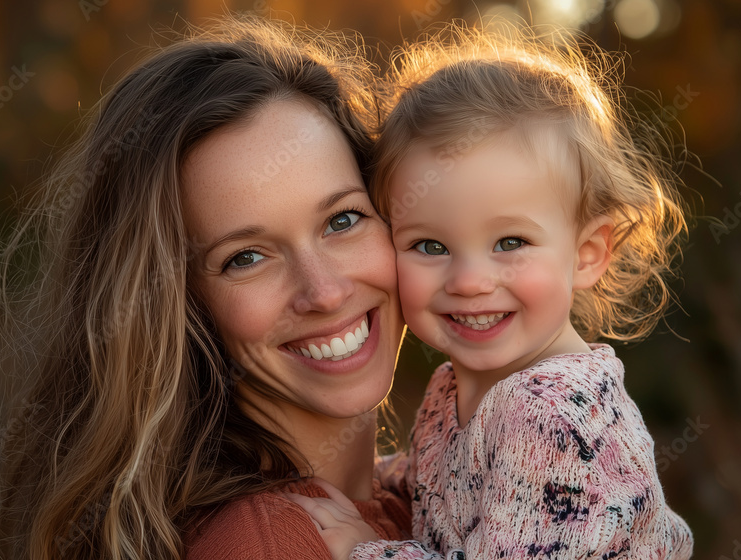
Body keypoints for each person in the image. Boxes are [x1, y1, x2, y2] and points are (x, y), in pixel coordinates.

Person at [0, 15, 410, 560]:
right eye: (246, 258)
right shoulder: (266, 543)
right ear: (178, 306)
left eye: (342, 221)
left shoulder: (442, 492)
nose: (323, 291)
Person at [291, 22, 695, 559]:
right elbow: (435, 487)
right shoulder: (457, 387)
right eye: (430, 246)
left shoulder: (553, 417)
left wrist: (370, 551)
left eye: (510, 240)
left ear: (587, 253)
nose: (469, 281)